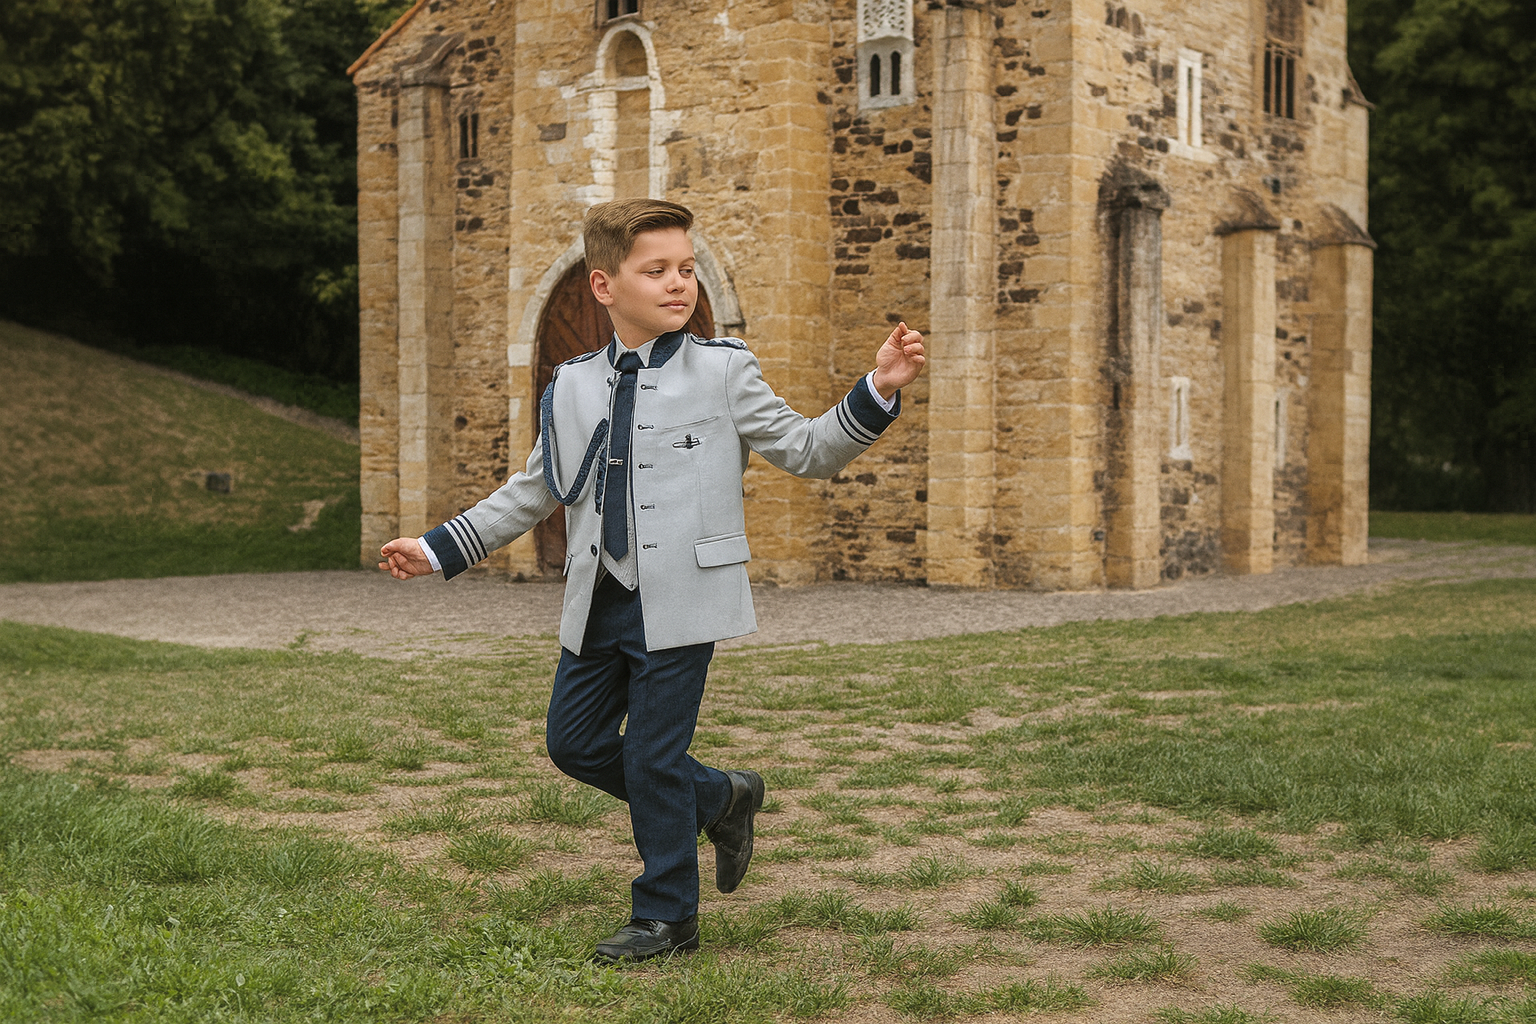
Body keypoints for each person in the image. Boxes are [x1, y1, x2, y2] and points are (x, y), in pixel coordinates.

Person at [379, 198, 926, 962]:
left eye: (688, 269)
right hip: (596, 598)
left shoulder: (725, 370)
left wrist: (879, 387)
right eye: (657, 270)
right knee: (572, 744)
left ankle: (668, 916)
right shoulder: (569, 384)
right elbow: (537, 489)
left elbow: (809, 451)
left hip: (683, 600)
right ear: (604, 286)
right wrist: (439, 547)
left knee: (651, 756)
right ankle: (722, 797)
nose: (680, 284)